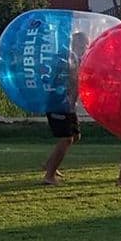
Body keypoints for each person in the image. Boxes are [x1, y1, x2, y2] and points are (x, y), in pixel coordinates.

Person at [43, 32, 89, 185]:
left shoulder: (77, 58)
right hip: (59, 103)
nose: (86, 48)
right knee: (66, 138)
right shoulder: (68, 59)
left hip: (68, 105)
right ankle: (49, 176)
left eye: (86, 45)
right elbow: (72, 80)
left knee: (75, 136)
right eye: (83, 45)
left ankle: (50, 164)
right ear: (76, 44)